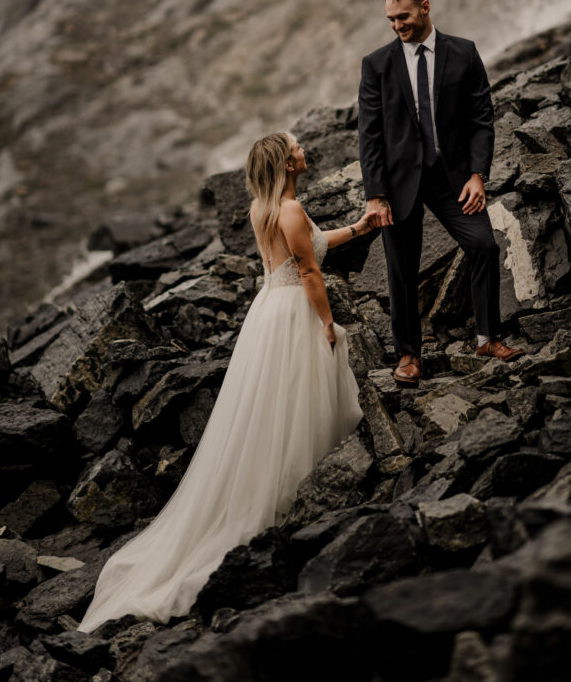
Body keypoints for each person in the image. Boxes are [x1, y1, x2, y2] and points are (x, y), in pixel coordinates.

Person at [77, 132, 369, 632]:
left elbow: (308, 247)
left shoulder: (265, 208)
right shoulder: (291, 211)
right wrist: (325, 323)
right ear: (286, 161)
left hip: (266, 312)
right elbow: (310, 271)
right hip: (293, 312)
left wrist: (360, 227)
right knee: (294, 401)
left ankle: (284, 487)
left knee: (269, 407)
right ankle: (297, 495)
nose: (303, 149)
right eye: (297, 147)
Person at [358, 0, 523, 387]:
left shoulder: (463, 52)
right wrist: (375, 195)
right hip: (397, 185)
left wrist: (477, 174)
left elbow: (481, 119)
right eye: (391, 19)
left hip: (453, 179)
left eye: (404, 16)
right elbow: (370, 136)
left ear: (426, 7)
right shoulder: (376, 65)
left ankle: (487, 338)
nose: (398, 25)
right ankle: (409, 356)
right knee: (401, 270)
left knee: (483, 244)